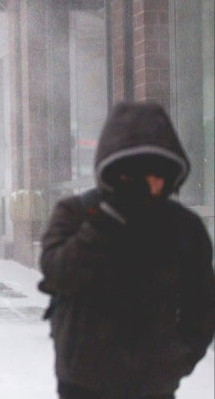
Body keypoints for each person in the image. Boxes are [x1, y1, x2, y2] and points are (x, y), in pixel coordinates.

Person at [39, 102, 215, 399]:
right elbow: (58, 274)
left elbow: (202, 308)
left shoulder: (184, 228)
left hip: (152, 387)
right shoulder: (78, 213)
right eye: (139, 173)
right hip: (82, 383)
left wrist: (176, 361)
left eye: (160, 173)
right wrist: (105, 221)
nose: (152, 183)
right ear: (117, 172)